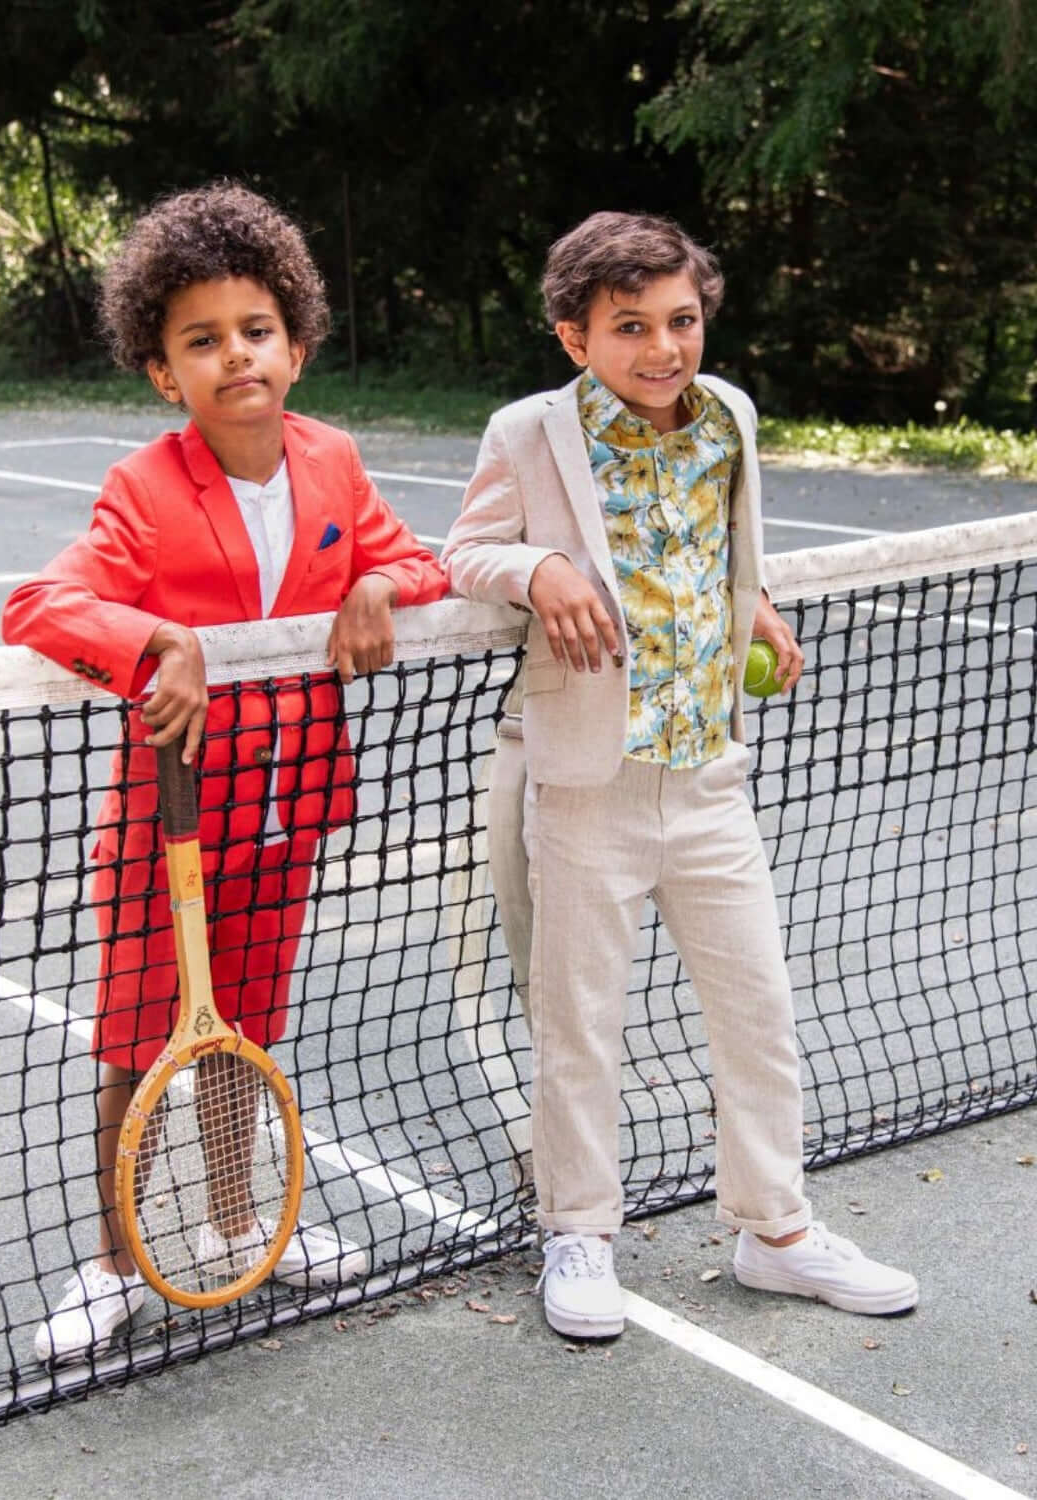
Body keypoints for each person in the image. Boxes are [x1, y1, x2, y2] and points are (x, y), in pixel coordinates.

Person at [441, 211, 918, 1340]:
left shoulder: (730, 419)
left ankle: (775, 1231)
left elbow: (719, 540)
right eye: (630, 327)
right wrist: (540, 563)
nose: (663, 348)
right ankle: (579, 1234)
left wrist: (750, 597)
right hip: (583, 787)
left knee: (760, 1012)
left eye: (681, 320)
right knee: (580, 1027)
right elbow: (459, 557)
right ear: (574, 336)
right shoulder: (528, 433)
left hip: (709, 782)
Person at [3, 181, 447, 1363]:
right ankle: (109, 1265)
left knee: (243, 1036)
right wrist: (158, 641)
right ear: (164, 372)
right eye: (201, 340)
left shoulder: (336, 464)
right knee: (135, 1046)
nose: (234, 355)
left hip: (286, 818)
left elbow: (424, 565)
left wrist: (380, 585)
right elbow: (40, 604)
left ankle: (239, 1220)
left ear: (295, 345)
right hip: (172, 833)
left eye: (254, 331)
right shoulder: (143, 491)